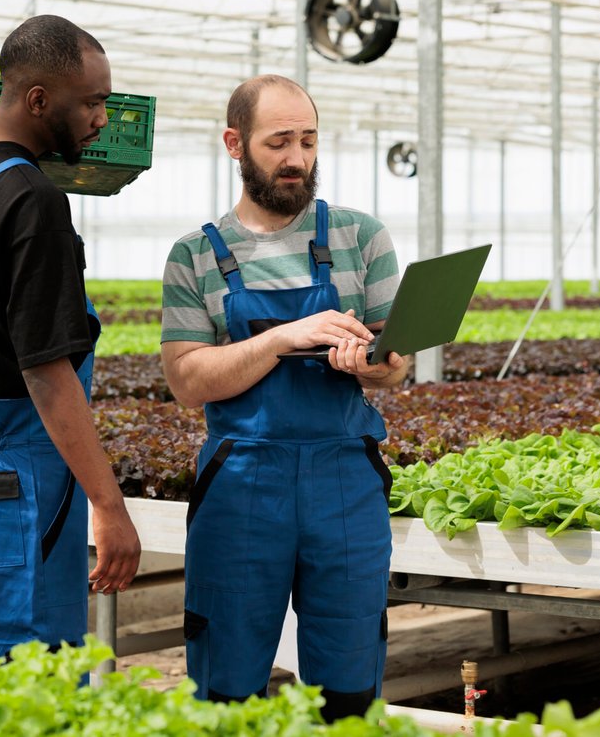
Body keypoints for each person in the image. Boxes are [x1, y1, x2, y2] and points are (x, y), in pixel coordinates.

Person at [160, 75, 408, 722]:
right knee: (226, 686)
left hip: (345, 480)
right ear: (235, 144)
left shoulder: (362, 237)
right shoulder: (196, 255)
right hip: (243, 483)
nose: (297, 157)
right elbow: (187, 380)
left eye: (307, 139)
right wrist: (282, 340)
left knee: (349, 688)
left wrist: (372, 368)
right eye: (279, 142)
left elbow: (396, 364)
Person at [0, 14, 140, 657]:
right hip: (24, 480)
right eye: (92, 102)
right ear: (38, 99)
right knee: (34, 677)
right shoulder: (32, 200)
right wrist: (110, 505)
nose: (102, 118)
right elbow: (47, 373)